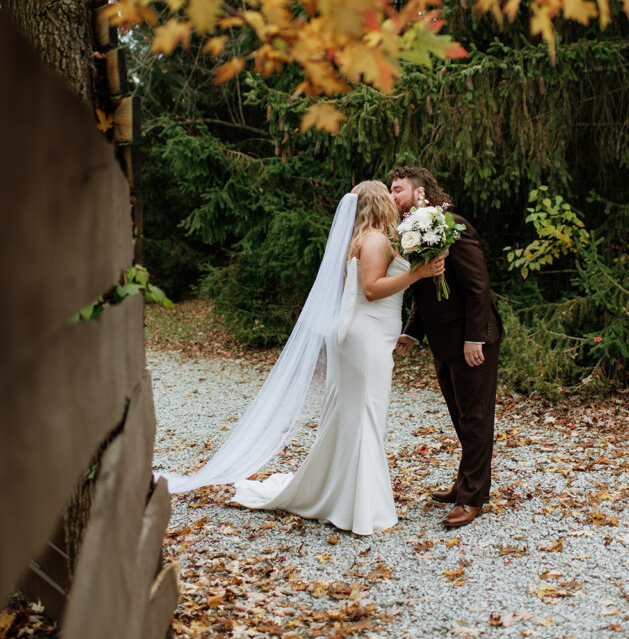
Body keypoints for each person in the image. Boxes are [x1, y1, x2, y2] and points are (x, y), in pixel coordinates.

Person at [158, 180, 443, 537]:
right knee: (366, 412)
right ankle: (360, 507)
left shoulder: (363, 239)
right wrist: (418, 273)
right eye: (388, 196)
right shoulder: (374, 240)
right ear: (379, 203)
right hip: (367, 337)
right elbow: (370, 290)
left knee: (355, 414)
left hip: (367, 335)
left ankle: (342, 495)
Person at [389, 166, 502, 529]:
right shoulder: (411, 232)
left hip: (471, 341)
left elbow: (477, 286)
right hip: (442, 341)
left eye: (398, 190)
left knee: (476, 417)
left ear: (420, 192)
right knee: (460, 416)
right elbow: (423, 291)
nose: (392, 197)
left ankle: (473, 498)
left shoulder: (453, 226)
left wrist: (475, 338)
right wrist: (412, 332)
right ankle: (464, 484)